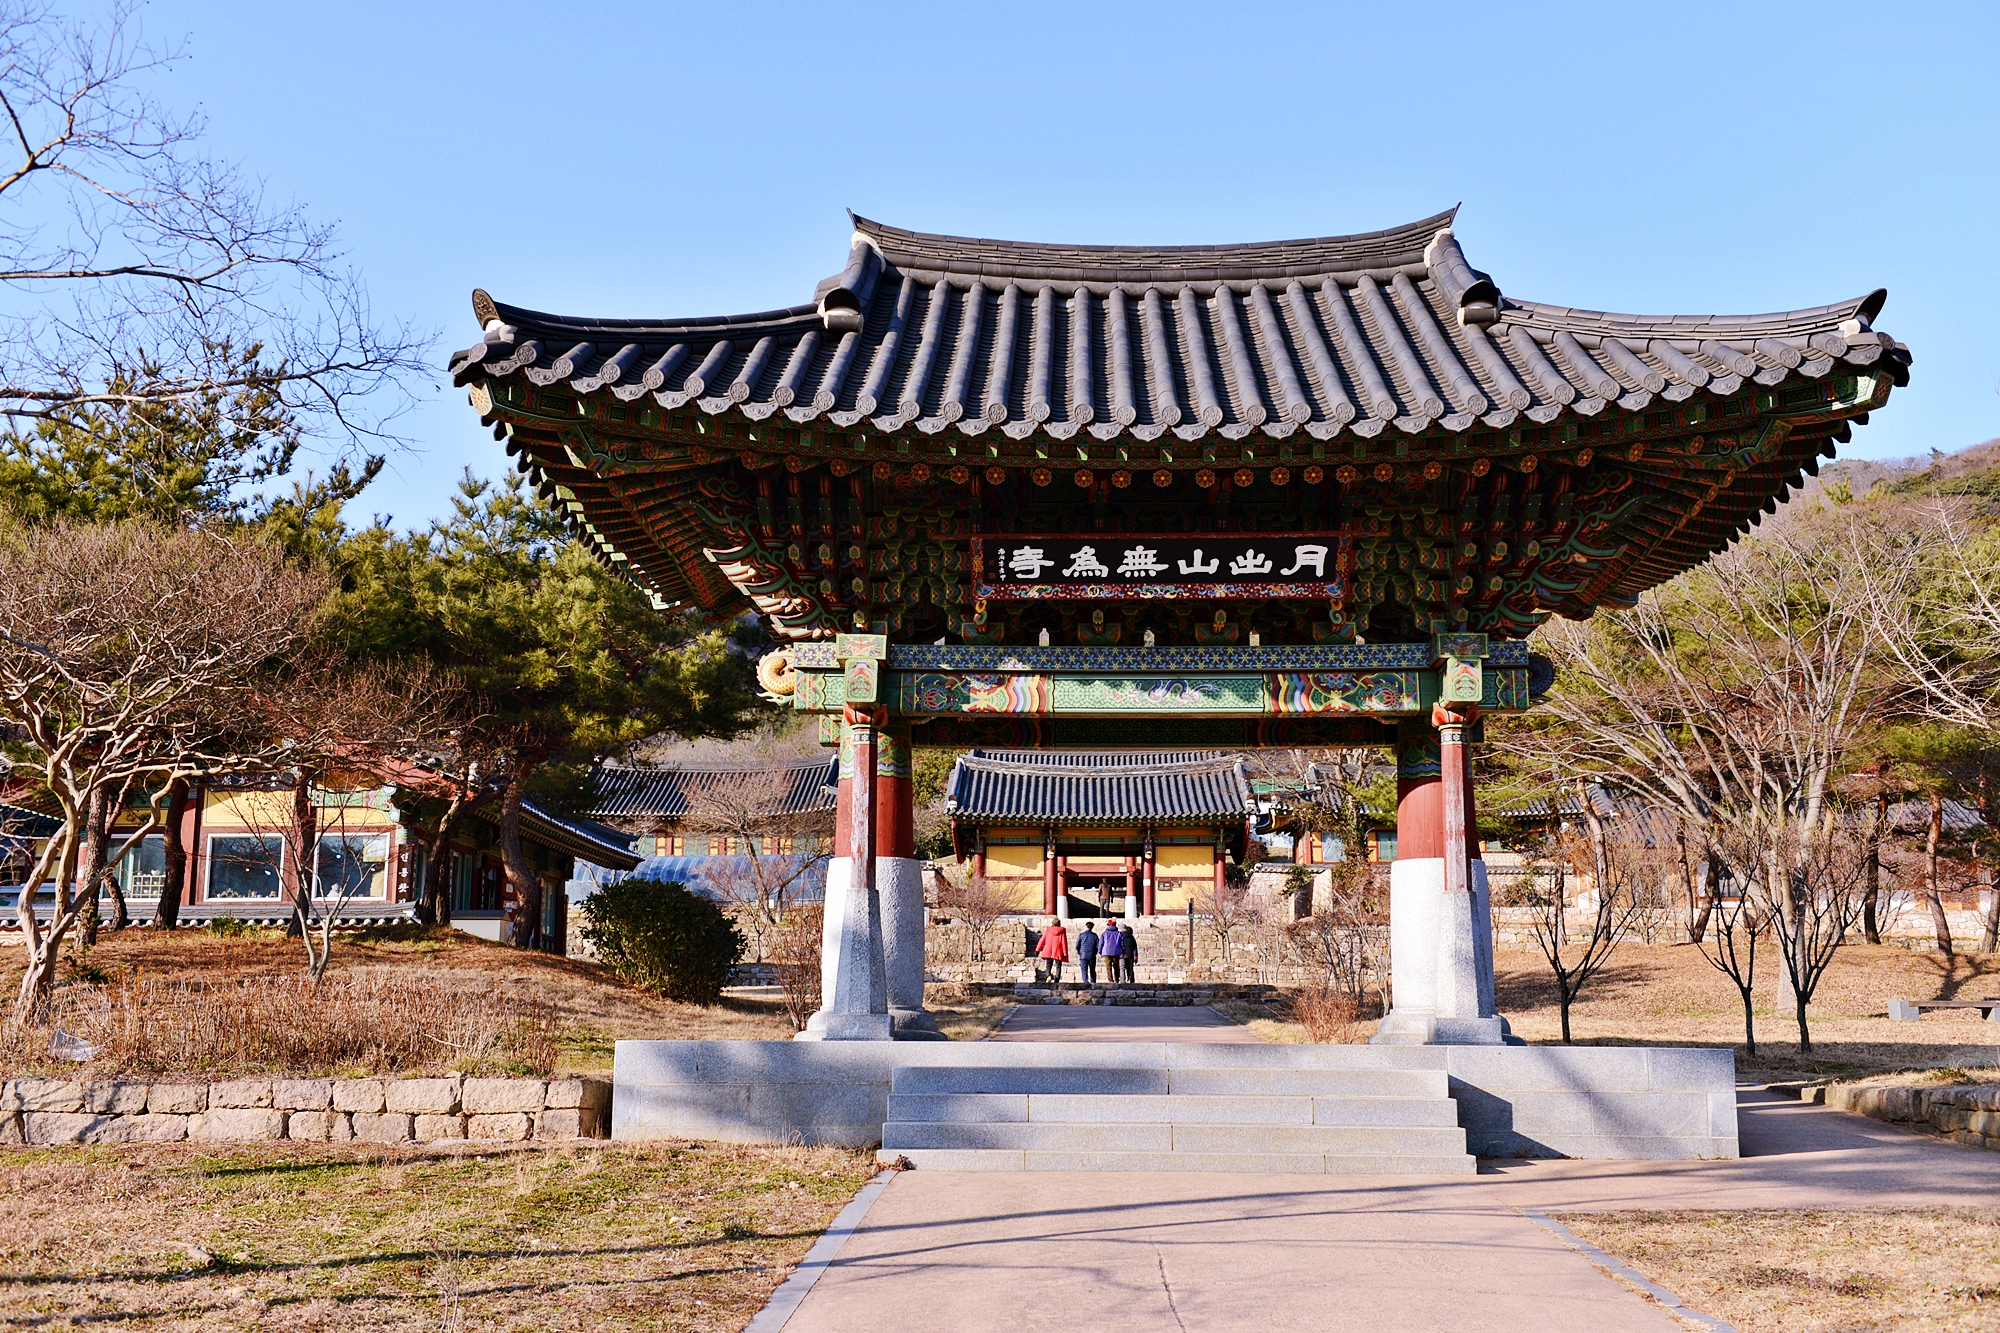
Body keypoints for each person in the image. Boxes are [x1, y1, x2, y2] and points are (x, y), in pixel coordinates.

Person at [1035, 916, 1069, 983]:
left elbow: (1042, 940)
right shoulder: (1062, 931)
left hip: (1049, 950)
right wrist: (1065, 953)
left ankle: (1048, 976)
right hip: (1058, 950)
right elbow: (1064, 942)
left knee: (1048, 965)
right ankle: (1057, 980)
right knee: (1058, 966)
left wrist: (1037, 950)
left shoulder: (1048, 930)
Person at [1099, 920, 1125, 985]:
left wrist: (1099, 951)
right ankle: (1117, 979)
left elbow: (1101, 943)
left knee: (1108, 966)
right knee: (1116, 966)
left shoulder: (1104, 933)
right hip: (1116, 951)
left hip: (1106, 951)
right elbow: (1122, 944)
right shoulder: (1119, 933)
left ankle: (1110, 979)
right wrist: (1123, 952)